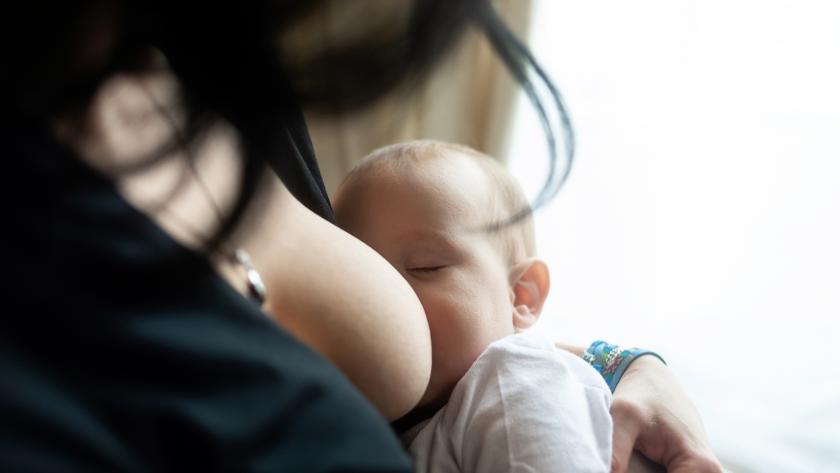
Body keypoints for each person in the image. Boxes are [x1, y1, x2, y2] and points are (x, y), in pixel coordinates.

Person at [1, 1, 722, 472]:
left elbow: (502, 356)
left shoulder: (213, 79)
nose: (393, 290)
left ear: (525, 291)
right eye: (375, 264)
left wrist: (620, 362)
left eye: (429, 264)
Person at [334, 140, 614, 472]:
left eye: (425, 267)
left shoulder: (513, 378)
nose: (385, 299)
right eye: (358, 278)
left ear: (521, 295)